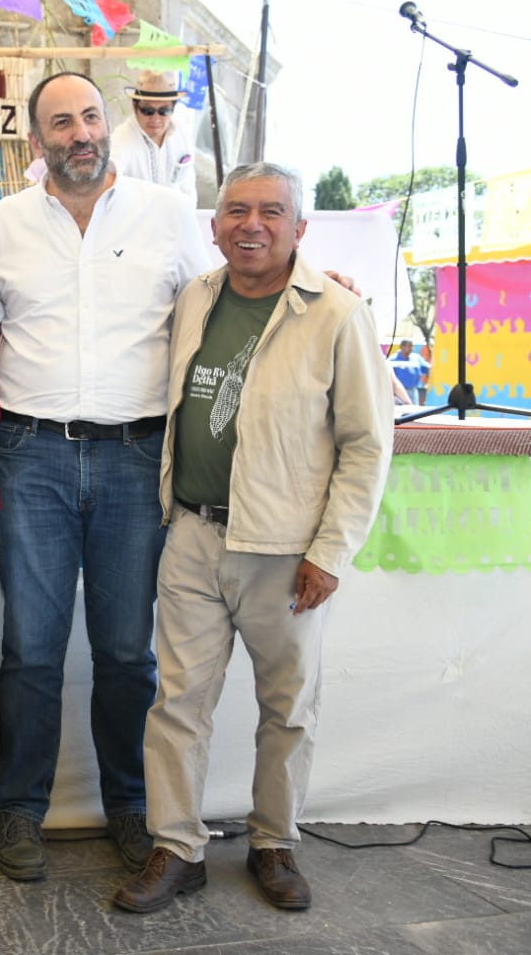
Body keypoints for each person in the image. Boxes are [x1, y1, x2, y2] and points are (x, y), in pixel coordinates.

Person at [114, 163, 392, 914]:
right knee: (177, 704)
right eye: (236, 210)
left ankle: (275, 843)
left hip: (285, 552)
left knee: (287, 707)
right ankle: (177, 848)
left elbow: (367, 445)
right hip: (192, 536)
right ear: (214, 227)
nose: (251, 225)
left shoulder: (336, 314)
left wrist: (329, 553)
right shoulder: (196, 298)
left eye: (271, 212)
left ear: (299, 228)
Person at [0, 70, 215, 881]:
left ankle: (130, 807)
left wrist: (320, 284)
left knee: (123, 650)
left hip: (134, 457)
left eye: (88, 117)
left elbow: (219, 301)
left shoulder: (166, 213)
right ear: (34, 138)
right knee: (30, 648)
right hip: (31, 455)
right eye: (60, 123)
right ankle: (19, 810)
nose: (79, 134)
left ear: (107, 125)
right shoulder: (4, 223)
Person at [109, 69, 198, 205]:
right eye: (148, 111)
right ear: (135, 106)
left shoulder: (182, 133)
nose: (156, 118)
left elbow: (188, 187)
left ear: (173, 108)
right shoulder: (121, 139)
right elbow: (111, 180)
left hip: (176, 214)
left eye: (164, 111)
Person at [389, 339, 430, 405]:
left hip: (413, 391)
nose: (411, 349)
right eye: (409, 346)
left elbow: (428, 369)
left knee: (414, 410)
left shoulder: (416, 358)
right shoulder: (393, 359)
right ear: (402, 347)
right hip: (398, 392)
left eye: (412, 346)